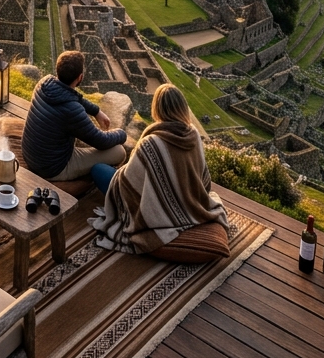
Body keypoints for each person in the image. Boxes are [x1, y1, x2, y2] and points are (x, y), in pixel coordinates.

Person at [89, 83, 229, 258]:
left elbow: (127, 183)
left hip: (154, 208)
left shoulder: (151, 143)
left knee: (98, 170)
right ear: (182, 107)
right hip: (191, 201)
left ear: (157, 108)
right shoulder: (193, 134)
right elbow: (203, 180)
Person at [21, 50, 127, 181]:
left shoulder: (44, 83)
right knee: (119, 151)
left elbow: (72, 96)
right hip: (52, 168)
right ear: (80, 77)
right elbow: (101, 141)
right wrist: (121, 134)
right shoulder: (72, 110)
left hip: (30, 154)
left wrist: (96, 111)